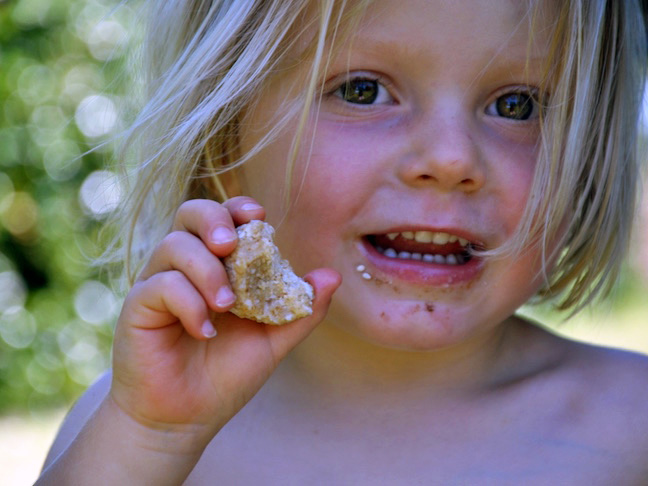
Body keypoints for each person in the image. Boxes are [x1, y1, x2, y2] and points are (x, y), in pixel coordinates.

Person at [38, 0, 648, 483]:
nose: (451, 157)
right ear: (226, 137)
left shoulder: (630, 429)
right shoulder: (132, 432)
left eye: (516, 105)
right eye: (362, 91)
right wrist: (150, 440)